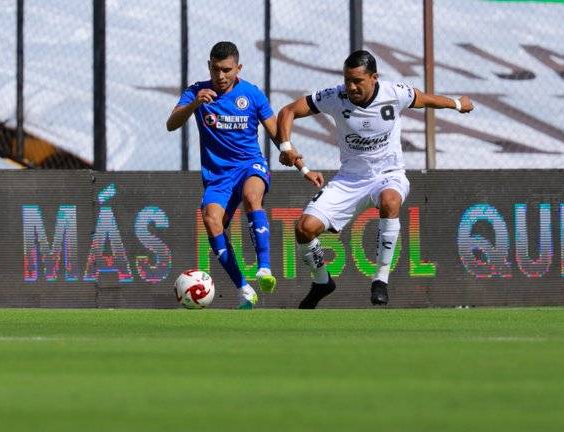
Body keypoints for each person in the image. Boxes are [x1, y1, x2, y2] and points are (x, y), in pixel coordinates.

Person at [277, 50, 474, 308]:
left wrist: (458, 104)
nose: (351, 86)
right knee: (304, 228)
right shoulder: (335, 96)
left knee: (390, 201)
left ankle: (380, 279)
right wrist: (285, 147)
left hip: (388, 174)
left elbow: (426, 100)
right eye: (347, 79)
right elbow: (288, 110)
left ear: (374, 78)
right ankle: (322, 281)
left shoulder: (394, 93)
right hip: (350, 179)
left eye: (357, 80)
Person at [166, 41, 278, 309]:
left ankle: (264, 268)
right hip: (218, 176)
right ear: (209, 67)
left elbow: (275, 132)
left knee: (253, 197)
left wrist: (289, 152)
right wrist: (194, 104)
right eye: (216, 69)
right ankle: (244, 288)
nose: (221, 76)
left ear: (238, 68)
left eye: (227, 70)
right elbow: (171, 124)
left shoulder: (251, 94)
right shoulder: (196, 92)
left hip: (249, 164)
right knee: (211, 220)